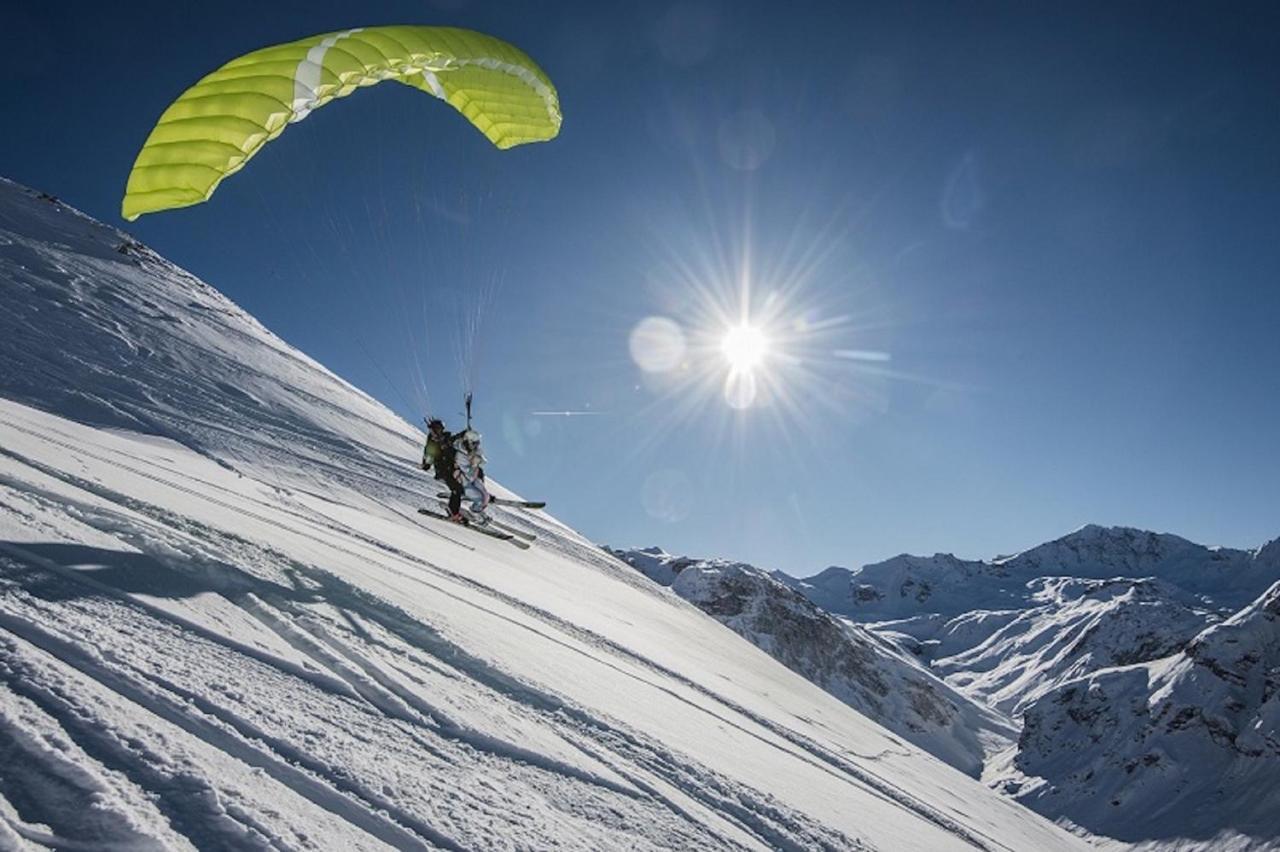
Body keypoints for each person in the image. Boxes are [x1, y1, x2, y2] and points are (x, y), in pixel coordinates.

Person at [422, 418, 466, 521]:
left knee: (461, 487)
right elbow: (429, 455)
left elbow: (455, 438)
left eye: (439, 429)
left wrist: (464, 433)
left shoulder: (446, 438)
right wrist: (426, 464)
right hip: (443, 470)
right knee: (457, 489)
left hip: (453, 468)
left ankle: (456, 503)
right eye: (434, 430)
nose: (436, 432)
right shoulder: (432, 443)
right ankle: (453, 512)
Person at [453, 428, 491, 524]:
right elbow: (467, 473)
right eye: (474, 443)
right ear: (468, 442)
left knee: (486, 496)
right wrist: (474, 464)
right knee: (478, 498)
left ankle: (478, 511)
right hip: (465, 482)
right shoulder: (460, 454)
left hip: (474, 479)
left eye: (477, 443)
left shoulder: (474, 451)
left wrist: (478, 460)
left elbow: (483, 461)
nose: (476, 446)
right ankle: (473, 513)